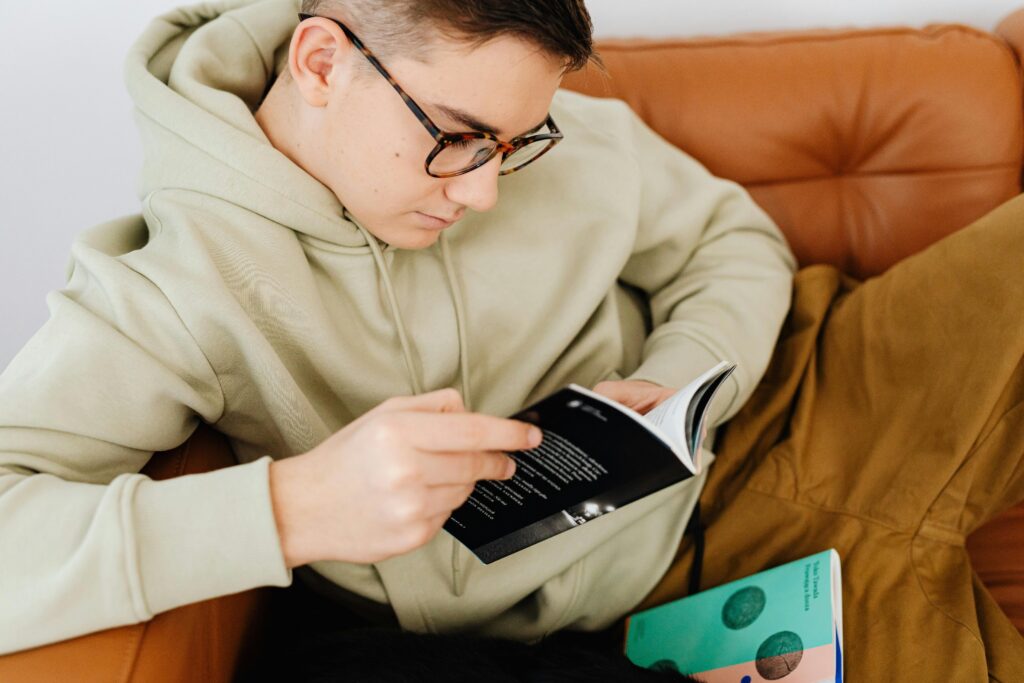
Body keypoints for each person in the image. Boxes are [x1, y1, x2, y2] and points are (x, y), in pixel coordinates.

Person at [3, 1, 1023, 681]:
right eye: (456, 137)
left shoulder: (526, 122)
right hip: (681, 590)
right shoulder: (170, 289)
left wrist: (675, 376)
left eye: (514, 143)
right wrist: (287, 506)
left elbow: (727, 237)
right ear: (322, 62)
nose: (488, 187)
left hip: (813, 384)